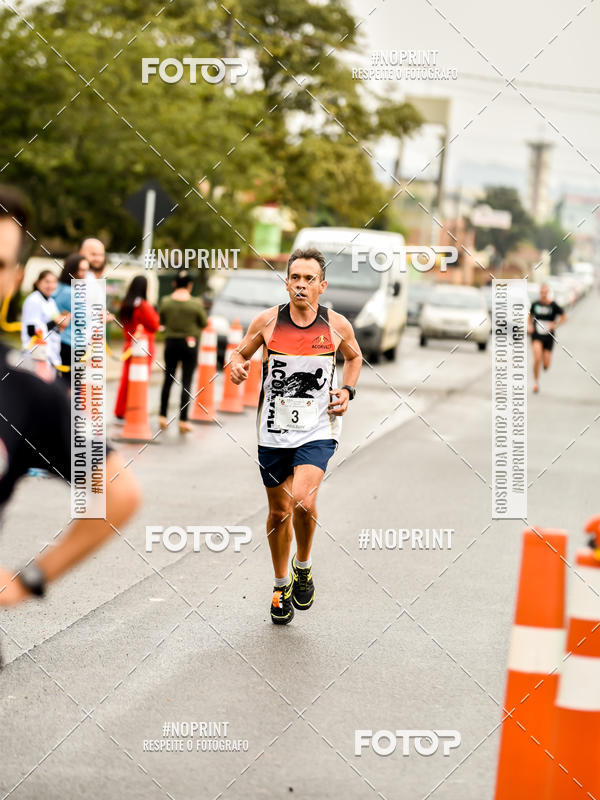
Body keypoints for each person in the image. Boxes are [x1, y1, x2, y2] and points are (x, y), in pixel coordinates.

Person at [0, 186, 141, 664]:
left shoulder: (24, 395)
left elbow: (118, 495)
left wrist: (33, 576)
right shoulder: (59, 296)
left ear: (13, 277)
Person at [229, 248, 362, 625]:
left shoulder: (336, 326)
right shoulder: (268, 322)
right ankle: (280, 583)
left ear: (322, 285)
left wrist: (347, 391)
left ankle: (302, 565)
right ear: (287, 282)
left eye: (308, 279)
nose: (300, 285)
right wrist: (238, 368)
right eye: (294, 278)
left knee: (302, 501)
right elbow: (239, 355)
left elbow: (354, 358)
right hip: (272, 430)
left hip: (318, 428)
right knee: (277, 510)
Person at [159, 271, 207, 433]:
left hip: (171, 342)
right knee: (186, 381)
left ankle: (162, 416)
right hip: (190, 344)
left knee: (168, 379)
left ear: (174, 284)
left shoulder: (165, 301)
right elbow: (204, 322)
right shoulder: (196, 303)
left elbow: (162, 320)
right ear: (189, 285)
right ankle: (183, 420)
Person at [114, 275, 160, 421]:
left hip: (129, 345)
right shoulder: (144, 305)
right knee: (140, 380)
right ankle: (136, 409)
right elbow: (154, 325)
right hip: (144, 347)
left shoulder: (125, 304)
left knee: (126, 379)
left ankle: (121, 410)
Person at [20, 269, 68, 371]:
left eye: (54, 282)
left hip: (50, 355)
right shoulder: (33, 300)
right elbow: (32, 331)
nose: (50, 285)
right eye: (47, 281)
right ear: (38, 283)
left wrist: (62, 324)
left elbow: (52, 327)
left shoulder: (50, 301)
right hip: (36, 355)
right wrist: (56, 322)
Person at [53, 253, 90, 377]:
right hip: (73, 344)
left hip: (60, 341)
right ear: (72, 270)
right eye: (82, 270)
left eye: (86, 269)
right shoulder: (72, 292)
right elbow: (84, 321)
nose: (85, 273)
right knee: (73, 388)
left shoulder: (58, 288)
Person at [528, 282, 566, 393]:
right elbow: (529, 316)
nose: (543, 294)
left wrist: (555, 324)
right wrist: (530, 326)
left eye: (545, 292)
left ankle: (545, 364)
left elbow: (564, 316)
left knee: (546, 364)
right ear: (540, 293)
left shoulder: (553, 305)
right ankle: (535, 383)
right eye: (542, 292)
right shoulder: (535, 304)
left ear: (548, 292)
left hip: (549, 336)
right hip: (537, 335)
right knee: (537, 358)